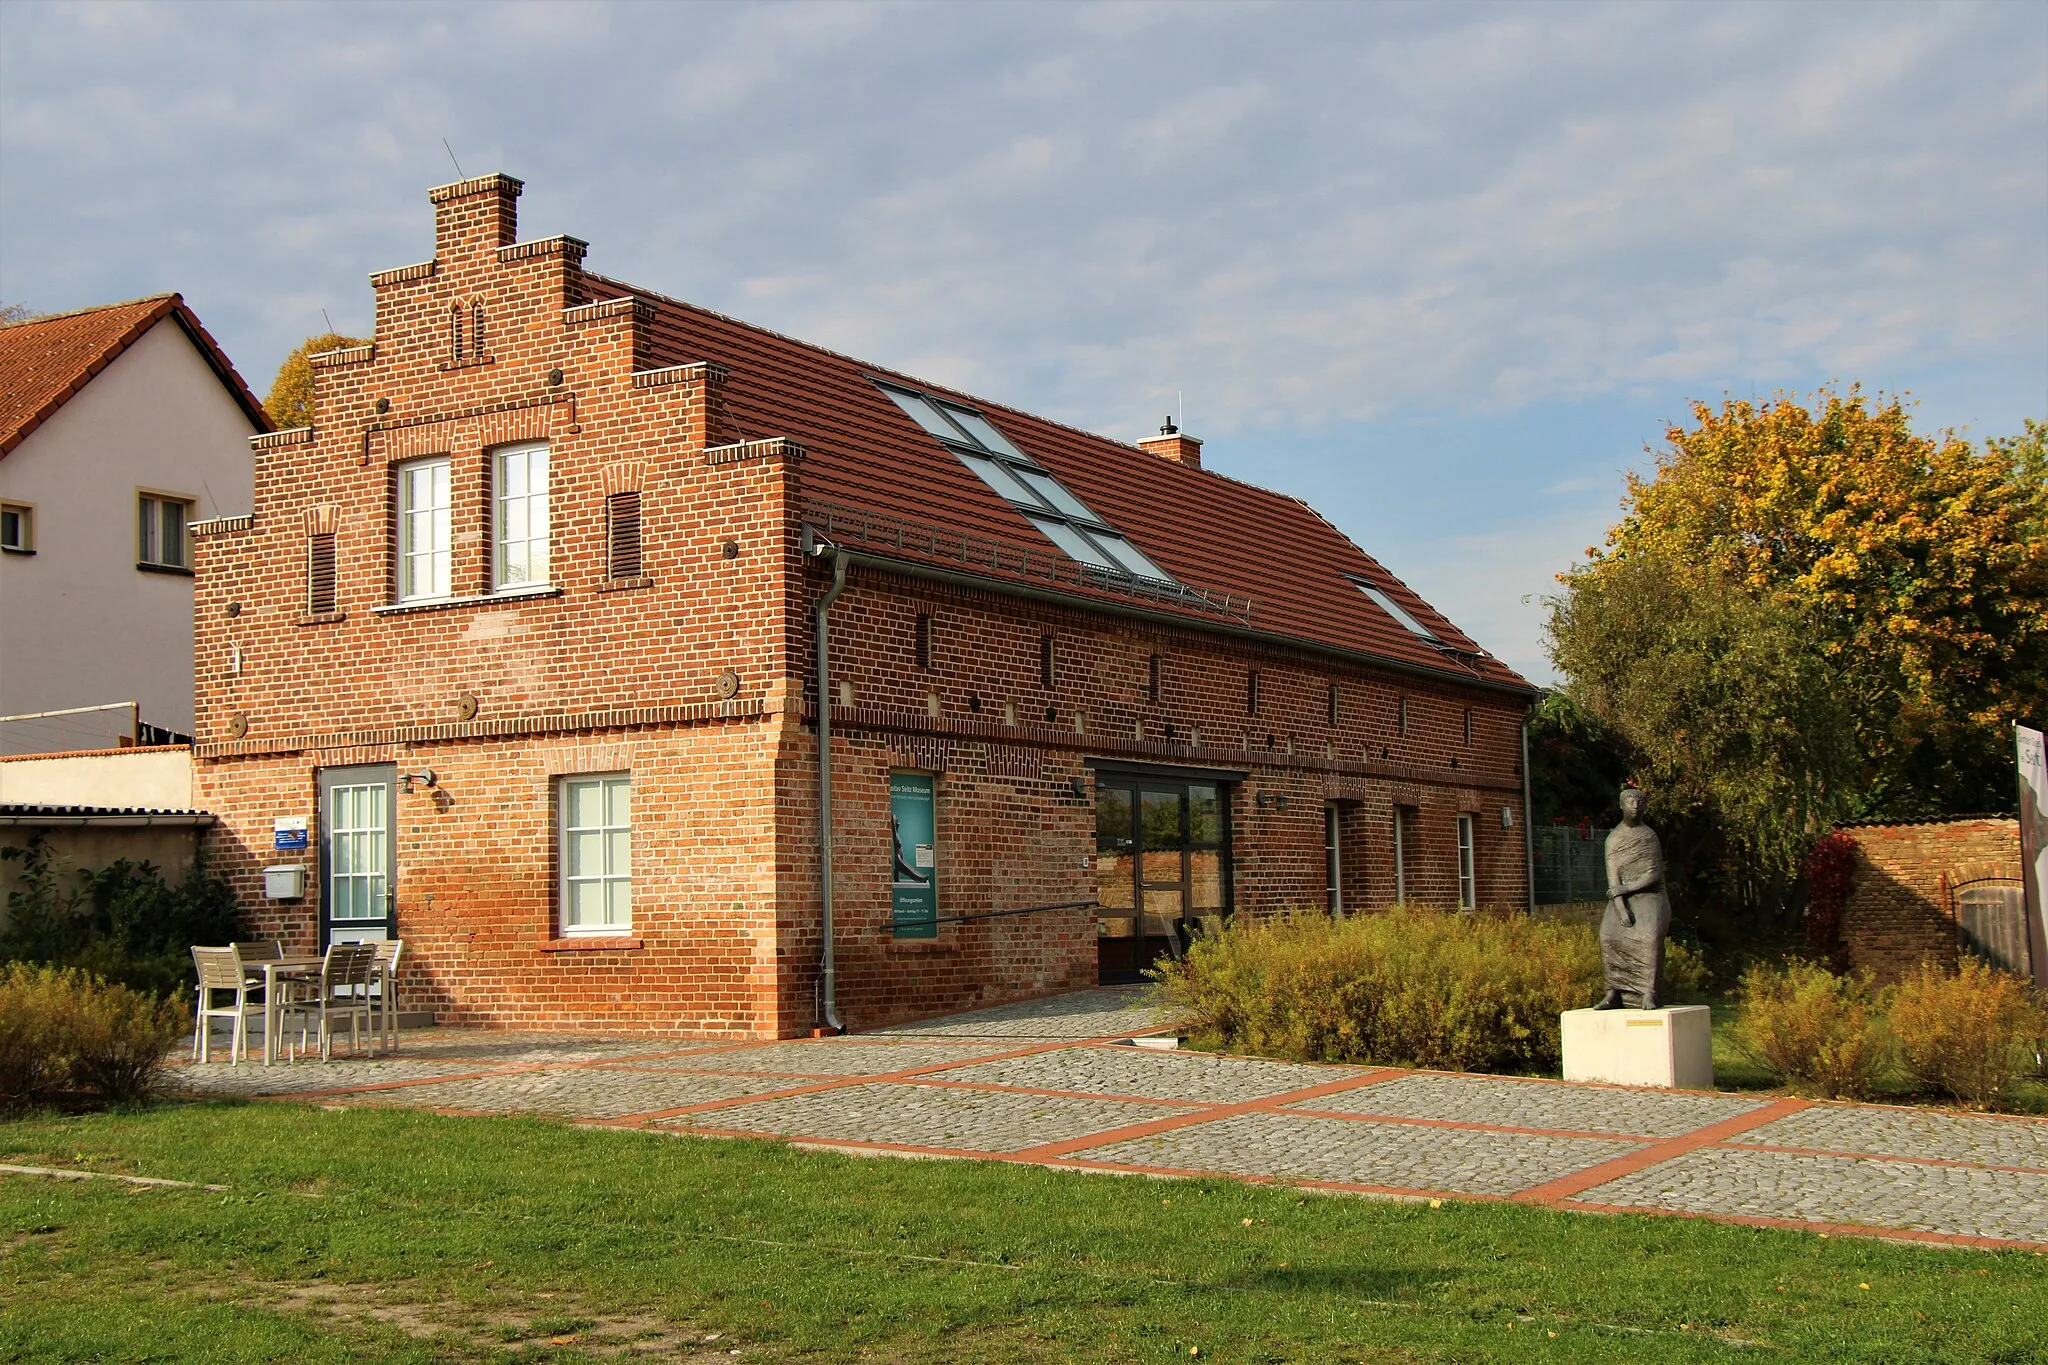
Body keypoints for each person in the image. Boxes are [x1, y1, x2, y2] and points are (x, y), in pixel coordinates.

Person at [1595, 784, 1670, 1010]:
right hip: (1622, 899)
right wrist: (1620, 907)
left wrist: (1626, 890)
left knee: (1649, 937)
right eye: (1630, 802)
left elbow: (1654, 874)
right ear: (1621, 805)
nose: (1635, 806)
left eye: (1639, 802)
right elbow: (1613, 879)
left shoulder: (1649, 836)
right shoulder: (1613, 839)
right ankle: (1613, 992)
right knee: (1607, 935)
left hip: (1650, 895)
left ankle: (1649, 992)